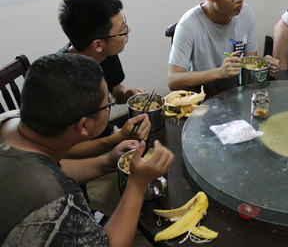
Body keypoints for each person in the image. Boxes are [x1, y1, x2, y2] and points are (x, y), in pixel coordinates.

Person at [0, 53, 174, 246]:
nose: (110, 104)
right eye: (108, 103)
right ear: (84, 126)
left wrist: (108, 162)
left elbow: (53, 168)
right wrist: (137, 183)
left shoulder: (10, 121)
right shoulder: (56, 204)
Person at [58, 0, 151, 158]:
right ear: (98, 45)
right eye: (122, 30)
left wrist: (126, 94)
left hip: (106, 136)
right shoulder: (62, 82)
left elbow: (113, 88)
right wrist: (119, 138)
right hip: (79, 156)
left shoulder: (105, 54)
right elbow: (63, 150)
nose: (128, 31)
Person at [168, 0, 279, 92]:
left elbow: (251, 60)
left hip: (237, 91)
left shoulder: (246, 14)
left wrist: (265, 66)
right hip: (205, 95)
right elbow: (173, 80)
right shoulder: (188, 26)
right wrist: (220, 72)